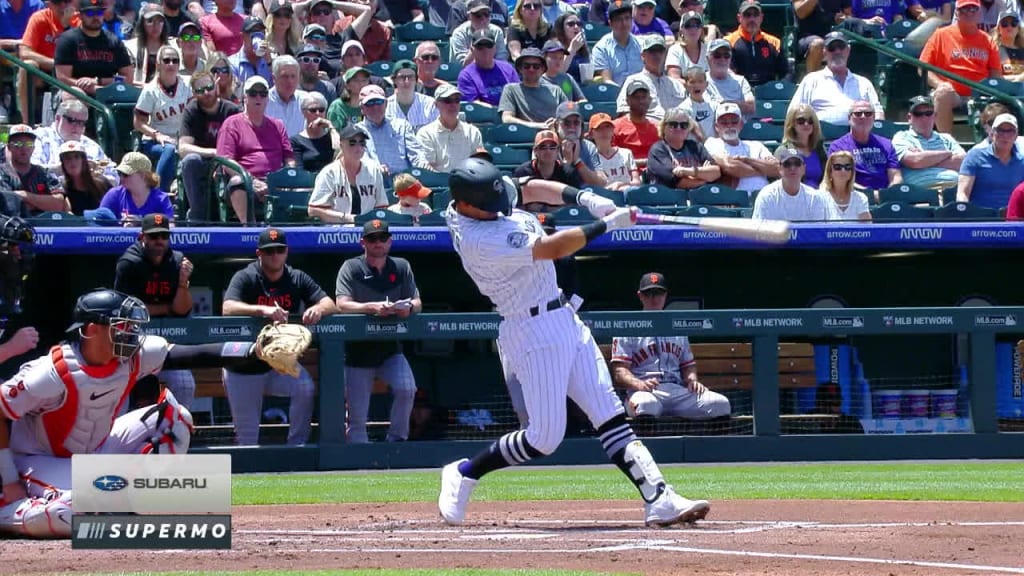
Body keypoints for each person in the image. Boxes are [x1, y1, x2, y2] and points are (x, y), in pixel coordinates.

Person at [437, 157, 711, 528]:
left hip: (564, 318)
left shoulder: (477, 200)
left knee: (608, 412)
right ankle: (465, 472)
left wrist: (585, 197)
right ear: (468, 205)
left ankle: (659, 497)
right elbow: (554, 247)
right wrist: (608, 224)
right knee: (544, 438)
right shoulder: (480, 239)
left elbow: (532, 186)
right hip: (531, 331)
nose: (501, 206)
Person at [0, 287, 300, 538]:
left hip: (95, 449)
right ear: (92, 330)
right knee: (74, 511)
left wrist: (255, 352)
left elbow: (194, 354)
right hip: (39, 460)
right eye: (121, 326)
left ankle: (127, 497)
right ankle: (9, 512)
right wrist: (9, 480)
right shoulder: (51, 372)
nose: (130, 333)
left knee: (176, 419)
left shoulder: (132, 356)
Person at [221, 227, 334, 446]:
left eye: (279, 250)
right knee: (247, 440)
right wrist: (262, 311)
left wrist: (318, 309)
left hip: (279, 364)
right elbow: (228, 307)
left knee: (305, 387)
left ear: (286, 252)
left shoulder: (296, 277)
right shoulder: (246, 276)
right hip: (244, 366)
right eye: (269, 251)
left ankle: (296, 446)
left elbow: (330, 303)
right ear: (259, 253)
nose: (275, 255)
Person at [335, 219, 422, 443]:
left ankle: (396, 441)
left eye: (382, 238)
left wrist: (408, 308)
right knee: (357, 422)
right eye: (372, 239)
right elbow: (341, 304)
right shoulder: (351, 267)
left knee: (407, 388)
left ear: (389, 242)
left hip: (390, 349)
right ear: (362, 242)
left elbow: (417, 301)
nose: (378, 243)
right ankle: (358, 468)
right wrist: (370, 307)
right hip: (357, 353)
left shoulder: (401, 266)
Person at [611, 272, 731, 420]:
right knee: (646, 405)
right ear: (640, 296)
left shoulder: (677, 328)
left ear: (666, 295)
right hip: (645, 392)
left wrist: (692, 380)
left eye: (658, 293)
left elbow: (688, 365)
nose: (654, 298)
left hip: (677, 391)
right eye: (649, 293)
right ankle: (647, 443)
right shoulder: (628, 328)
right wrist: (638, 383)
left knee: (720, 404)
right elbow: (620, 371)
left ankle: (711, 443)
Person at [113, 213, 196, 409]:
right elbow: (125, 309)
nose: (159, 241)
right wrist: (166, 308)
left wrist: (183, 284)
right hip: (132, 344)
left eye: (163, 236)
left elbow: (182, 311)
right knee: (118, 388)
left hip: (166, 342)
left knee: (185, 384)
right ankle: (118, 435)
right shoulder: (129, 262)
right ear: (142, 237)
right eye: (153, 236)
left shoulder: (176, 261)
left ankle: (174, 433)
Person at [216, 75, 295, 223]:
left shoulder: (277, 125)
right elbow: (226, 162)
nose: (258, 97)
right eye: (253, 93)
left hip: (274, 181)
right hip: (246, 180)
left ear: (267, 98)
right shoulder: (231, 124)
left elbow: (289, 157)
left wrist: (289, 176)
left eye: (263, 94)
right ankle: (247, 227)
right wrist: (251, 181)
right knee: (237, 181)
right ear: (244, 97)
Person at [920, 0, 1002, 133]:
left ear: (979, 12)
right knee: (943, 93)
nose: (969, 12)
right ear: (956, 13)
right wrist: (939, 84)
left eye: (973, 9)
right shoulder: (941, 35)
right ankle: (947, 143)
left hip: (979, 94)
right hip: (953, 94)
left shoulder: (988, 40)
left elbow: (996, 74)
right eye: (964, 9)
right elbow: (923, 67)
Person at [179, 69, 241, 223]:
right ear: (194, 93)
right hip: (205, 161)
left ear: (216, 86)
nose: (206, 93)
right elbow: (183, 148)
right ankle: (197, 216)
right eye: (200, 90)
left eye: (209, 87)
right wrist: (213, 152)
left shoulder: (231, 110)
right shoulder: (191, 110)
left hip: (228, 161)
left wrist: (223, 157)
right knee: (190, 160)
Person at [788, 31, 883, 126]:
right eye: (832, 48)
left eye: (841, 47)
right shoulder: (811, 80)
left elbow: (878, 114)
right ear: (824, 52)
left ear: (848, 50)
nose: (837, 51)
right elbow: (793, 114)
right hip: (822, 139)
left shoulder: (864, 83)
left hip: (858, 139)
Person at [135, 44, 193, 192]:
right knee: (169, 149)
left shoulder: (187, 84)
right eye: (167, 60)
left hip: (182, 139)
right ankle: (157, 193)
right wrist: (156, 135)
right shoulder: (150, 90)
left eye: (175, 60)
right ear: (158, 64)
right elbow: (138, 122)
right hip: (155, 141)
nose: (171, 64)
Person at [307, 125, 390, 224]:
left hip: (369, 231)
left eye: (362, 143)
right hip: (337, 231)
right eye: (352, 143)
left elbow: (382, 207)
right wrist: (347, 218)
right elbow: (313, 210)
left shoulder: (373, 171)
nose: (358, 147)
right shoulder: (329, 173)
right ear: (341, 146)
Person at [54, 0, 134, 95]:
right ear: (80, 16)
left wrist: (98, 82)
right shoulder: (68, 40)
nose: (95, 17)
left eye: (99, 12)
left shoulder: (114, 41)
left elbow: (128, 78)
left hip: (107, 93)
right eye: (90, 13)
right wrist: (87, 87)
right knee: (75, 101)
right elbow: (63, 78)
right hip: (74, 92)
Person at [18, 0, 78, 124]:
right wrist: (56, 64)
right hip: (44, 70)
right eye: (57, 2)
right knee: (28, 66)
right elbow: (24, 52)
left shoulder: (78, 21)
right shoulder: (39, 18)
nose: (63, 6)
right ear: (48, 3)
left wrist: (67, 26)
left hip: (72, 71)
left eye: (67, 1)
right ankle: (27, 122)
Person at [32, 99, 118, 184]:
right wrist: (61, 169)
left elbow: (114, 177)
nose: (77, 127)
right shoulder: (40, 137)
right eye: (72, 121)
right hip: (50, 193)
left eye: (82, 123)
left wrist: (94, 177)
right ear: (58, 118)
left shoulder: (91, 146)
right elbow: (31, 170)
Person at [703, 101, 778, 195]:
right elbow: (732, 167)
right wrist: (763, 170)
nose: (729, 126)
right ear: (716, 127)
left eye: (734, 122)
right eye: (724, 123)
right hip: (735, 200)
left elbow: (777, 168)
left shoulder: (756, 145)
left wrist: (746, 159)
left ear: (741, 124)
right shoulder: (711, 143)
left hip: (764, 196)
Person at [892, 95, 965, 190]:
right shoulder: (902, 137)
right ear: (909, 118)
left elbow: (963, 161)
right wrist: (948, 154)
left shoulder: (946, 138)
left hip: (954, 187)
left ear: (934, 116)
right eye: (918, 114)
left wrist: (925, 159)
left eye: (928, 113)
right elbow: (914, 161)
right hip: (922, 191)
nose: (924, 118)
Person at [827, 100, 902, 193]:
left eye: (868, 114)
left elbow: (896, 176)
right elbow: (840, 179)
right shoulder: (838, 147)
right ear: (849, 118)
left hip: (886, 196)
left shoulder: (886, 144)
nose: (863, 117)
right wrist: (870, 194)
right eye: (858, 114)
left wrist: (888, 193)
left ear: (874, 118)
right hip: (854, 196)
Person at [356, 84, 430, 175]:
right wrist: (374, 168)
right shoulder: (356, 131)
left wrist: (424, 167)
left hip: (404, 182)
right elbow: (361, 159)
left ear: (386, 104)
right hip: (373, 181)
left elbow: (416, 155)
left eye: (379, 102)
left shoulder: (402, 126)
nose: (375, 107)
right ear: (362, 109)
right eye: (370, 103)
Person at [957, 112, 1024, 208]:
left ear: (1016, 135)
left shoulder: (1022, 161)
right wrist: (965, 213)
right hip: (983, 218)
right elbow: (962, 193)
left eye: (1010, 131)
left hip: (1014, 218)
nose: (1005, 136)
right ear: (992, 133)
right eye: (1000, 130)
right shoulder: (975, 156)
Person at [615, 34, 686, 122]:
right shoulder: (633, 81)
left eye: (660, 51)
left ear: (665, 54)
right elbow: (624, 113)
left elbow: (689, 112)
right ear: (643, 55)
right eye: (652, 51)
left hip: (676, 130)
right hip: (646, 131)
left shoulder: (676, 85)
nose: (656, 55)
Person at [0, 125, 67, 216]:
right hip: (11, 225)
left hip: (43, 225)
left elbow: (58, 204)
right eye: (18, 144)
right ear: (9, 147)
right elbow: (7, 203)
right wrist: (42, 203)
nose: (24, 149)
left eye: (29, 144)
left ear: (33, 148)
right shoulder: (2, 172)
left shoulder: (43, 173)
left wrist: (24, 195)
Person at [646, 106, 720, 187]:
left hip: (699, 197)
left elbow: (716, 172)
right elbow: (678, 182)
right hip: (669, 197)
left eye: (684, 125)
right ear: (664, 127)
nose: (678, 128)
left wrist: (688, 171)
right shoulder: (658, 149)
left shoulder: (696, 146)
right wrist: (704, 178)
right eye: (673, 124)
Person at [417, 84, 484, 173]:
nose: (453, 105)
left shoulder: (472, 132)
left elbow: (479, 163)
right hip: (439, 184)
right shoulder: (426, 134)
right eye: (447, 101)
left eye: (456, 100)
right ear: (436, 104)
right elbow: (427, 167)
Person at [751, 146, 832, 220]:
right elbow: (759, 232)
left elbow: (817, 232)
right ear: (780, 169)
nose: (792, 168)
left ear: (804, 168)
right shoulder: (766, 196)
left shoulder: (814, 198)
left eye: (797, 164)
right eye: (787, 164)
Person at [724, 0, 789, 87]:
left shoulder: (774, 43)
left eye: (755, 15)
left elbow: (787, 72)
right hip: (739, 92)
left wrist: (780, 87)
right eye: (747, 15)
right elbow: (728, 73)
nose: (752, 19)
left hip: (768, 92)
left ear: (761, 17)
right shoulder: (728, 42)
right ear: (739, 18)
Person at [500, 47, 568, 128]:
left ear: (543, 69)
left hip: (553, 134)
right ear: (520, 69)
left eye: (536, 66)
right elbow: (506, 118)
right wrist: (539, 126)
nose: (531, 69)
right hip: (525, 137)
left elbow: (568, 114)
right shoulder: (511, 90)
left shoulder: (557, 90)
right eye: (526, 66)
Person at [99, 152, 174, 224]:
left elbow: (170, 227)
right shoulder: (114, 195)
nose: (121, 178)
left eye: (126, 174)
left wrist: (144, 223)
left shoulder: (161, 199)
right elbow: (99, 223)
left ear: (143, 176)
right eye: (120, 173)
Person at [457, 29, 521, 108]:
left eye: (489, 46)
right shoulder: (466, 75)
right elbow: (473, 105)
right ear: (472, 50)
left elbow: (518, 96)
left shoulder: (508, 69)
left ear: (495, 48)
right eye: (480, 47)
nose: (485, 50)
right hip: (483, 118)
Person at [792, 0, 852, 74]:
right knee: (818, 43)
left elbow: (848, 14)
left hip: (833, 35)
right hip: (806, 36)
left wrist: (841, 18)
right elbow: (800, 13)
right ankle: (813, 83)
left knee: (848, 43)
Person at [592, 0, 643, 85]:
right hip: (616, 94)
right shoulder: (601, 48)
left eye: (627, 18)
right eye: (619, 19)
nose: (624, 23)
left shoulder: (642, 44)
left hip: (642, 93)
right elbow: (607, 81)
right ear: (610, 23)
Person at [514, 130, 583, 190]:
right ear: (535, 151)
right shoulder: (522, 172)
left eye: (552, 147)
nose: (548, 151)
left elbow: (574, 202)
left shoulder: (569, 173)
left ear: (558, 151)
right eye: (543, 147)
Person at [778, 104, 827, 188]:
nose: (806, 124)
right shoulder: (783, 150)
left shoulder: (819, 149)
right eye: (801, 120)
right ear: (792, 124)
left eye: (810, 121)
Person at [613, 80, 660, 166]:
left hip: (655, 174)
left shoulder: (658, 128)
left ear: (649, 100)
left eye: (644, 97)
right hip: (627, 175)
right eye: (636, 97)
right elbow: (611, 159)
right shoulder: (615, 127)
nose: (641, 101)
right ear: (628, 101)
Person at [704, 38, 755, 117]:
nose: (722, 59)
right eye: (717, 55)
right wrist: (737, 105)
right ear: (707, 58)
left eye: (726, 56)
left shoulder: (740, 81)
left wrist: (724, 104)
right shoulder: (701, 81)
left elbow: (751, 107)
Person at [590, 113, 640, 191]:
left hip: (627, 196)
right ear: (591, 134)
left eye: (608, 127)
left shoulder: (626, 153)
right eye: (599, 128)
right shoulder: (590, 158)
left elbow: (637, 182)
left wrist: (621, 184)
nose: (604, 131)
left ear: (613, 131)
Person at [290, 91, 338, 173]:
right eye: (313, 110)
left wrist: (331, 126)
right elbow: (298, 169)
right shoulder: (296, 141)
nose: (318, 113)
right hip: (308, 182)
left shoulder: (332, 137)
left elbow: (340, 152)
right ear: (303, 112)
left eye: (321, 110)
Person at [450, 0, 510, 64]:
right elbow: (463, 63)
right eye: (478, 15)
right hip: (465, 72)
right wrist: (476, 45)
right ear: (469, 16)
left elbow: (502, 58)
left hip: (492, 70)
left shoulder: (496, 31)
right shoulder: (459, 33)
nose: (483, 18)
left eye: (486, 14)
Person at [386, 60, 439, 133]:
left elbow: (435, 133)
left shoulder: (430, 104)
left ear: (416, 80)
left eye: (410, 77)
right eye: (402, 77)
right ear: (394, 80)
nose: (406, 81)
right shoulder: (385, 105)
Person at [266, 55, 310, 138]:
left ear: (299, 78)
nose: (290, 81)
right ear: (274, 78)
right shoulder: (264, 101)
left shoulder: (306, 101)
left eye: (293, 76)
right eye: (284, 76)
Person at [821, 150, 871, 220]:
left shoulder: (860, 198)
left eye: (847, 167)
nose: (843, 170)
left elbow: (867, 227)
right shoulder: (819, 198)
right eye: (837, 167)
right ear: (830, 172)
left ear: (852, 172)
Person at [127, 3, 169, 84]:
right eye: (150, 21)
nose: (155, 25)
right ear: (142, 23)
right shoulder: (130, 47)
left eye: (160, 21)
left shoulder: (172, 48)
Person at [666, 11, 709, 79]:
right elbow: (674, 79)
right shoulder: (674, 51)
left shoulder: (708, 50)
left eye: (697, 25)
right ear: (681, 30)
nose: (693, 29)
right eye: (688, 26)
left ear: (701, 29)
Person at [233, 16, 273, 87]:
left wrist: (270, 63)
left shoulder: (272, 59)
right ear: (242, 36)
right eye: (252, 32)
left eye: (260, 32)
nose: (257, 36)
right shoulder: (233, 64)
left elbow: (280, 90)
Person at [676, 65, 713, 142]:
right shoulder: (683, 109)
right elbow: (697, 132)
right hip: (695, 149)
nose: (696, 85)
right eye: (692, 82)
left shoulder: (713, 106)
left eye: (700, 81)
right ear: (685, 85)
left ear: (706, 85)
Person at [327, 66, 370, 131]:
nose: (361, 84)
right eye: (356, 80)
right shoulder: (338, 106)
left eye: (364, 80)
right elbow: (334, 131)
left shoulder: (372, 104)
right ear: (347, 85)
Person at [553, 12, 589, 83]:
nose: (576, 27)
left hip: (582, 87)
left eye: (579, 24)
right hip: (563, 86)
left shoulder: (582, 46)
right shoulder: (555, 46)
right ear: (562, 28)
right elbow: (558, 73)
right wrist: (572, 50)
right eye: (570, 24)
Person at [993, 10, 1024, 80]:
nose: (1009, 27)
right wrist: (1018, 78)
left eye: (1013, 23)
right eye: (1004, 24)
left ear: (1018, 29)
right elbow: (994, 77)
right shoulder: (994, 51)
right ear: (998, 29)